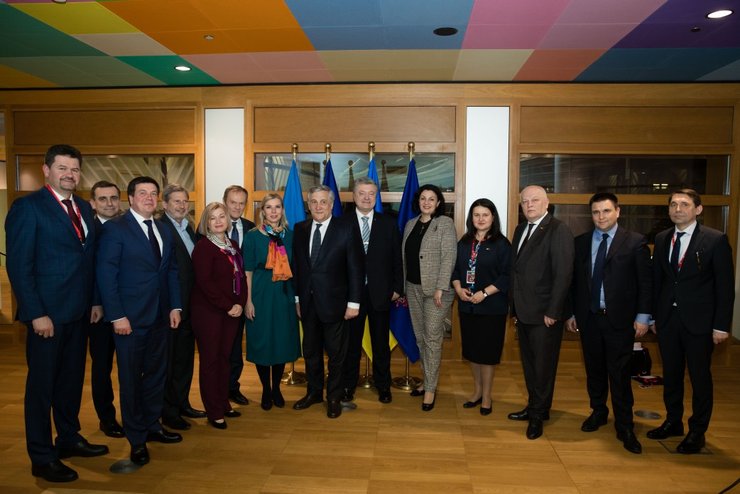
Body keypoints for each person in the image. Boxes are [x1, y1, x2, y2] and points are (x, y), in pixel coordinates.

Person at [6, 144, 108, 482]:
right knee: (42, 388)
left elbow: (89, 260)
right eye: (62, 168)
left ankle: (68, 438)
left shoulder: (83, 207)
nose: (69, 174)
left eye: (74, 169)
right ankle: (41, 456)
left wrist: (95, 301)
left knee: (70, 381)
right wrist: (36, 313)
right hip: (46, 317)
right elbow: (20, 266)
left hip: (79, 313)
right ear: (47, 170)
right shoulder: (28, 208)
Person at [97, 176, 183, 467]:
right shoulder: (115, 229)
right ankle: (136, 439)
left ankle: (152, 425)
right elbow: (106, 274)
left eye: (153, 193)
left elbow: (171, 271)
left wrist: (175, 306)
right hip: (129, 321)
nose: (149, 197)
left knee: (157, 375)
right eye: (142, 193)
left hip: (160, 317)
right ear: (131, 198)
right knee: (131, 380)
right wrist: (117, 315)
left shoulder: (163, 229)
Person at [647, 189, 735, 454]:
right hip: (668, 321)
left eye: (684, 204)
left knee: (699, 378)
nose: (678, 209)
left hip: (700, 323)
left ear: (698, 209)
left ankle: (697, 431)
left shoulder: (715, 240)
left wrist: (721, 325)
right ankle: (673, 421)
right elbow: (658, 282)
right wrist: (654, 316)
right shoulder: (662, 238)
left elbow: (725, 287)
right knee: (672, 375)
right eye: (673, 204)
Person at [565, 192, 651, 454]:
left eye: (606, 211)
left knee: (620, 374)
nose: (600, 217)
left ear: (618, 211)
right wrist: (572, 313)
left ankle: (625, 425)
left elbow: (645, 283)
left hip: (620, 321)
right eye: (595, 212)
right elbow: (575, 283)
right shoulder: (580, 242)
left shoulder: (635, 242)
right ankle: (598, 412)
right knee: (594, 370)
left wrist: (643, 316)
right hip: (589, 318)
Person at [508, 185, 574, 440]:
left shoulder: (558, 230)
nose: (529, 205)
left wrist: (553, 311)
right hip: (524, 311)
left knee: (543, 368)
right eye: (525, 201)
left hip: (545, 314)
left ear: (547, 204)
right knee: (530, 365)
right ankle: (536, 407)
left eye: (535, 200)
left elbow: (563, 274)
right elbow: (517, 271)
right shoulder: (520, 229)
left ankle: (537, 417)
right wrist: (514, 308)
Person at [292, 185, 363, 419]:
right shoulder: (300, 229)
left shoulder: (346, 228)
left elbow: (355, 268)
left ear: (332, 205)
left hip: (336, 304)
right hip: (308, 303)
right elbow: (297, 267)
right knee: (310, 352)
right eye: (314, 202)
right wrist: (297, 298)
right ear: (308, 205)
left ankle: (333, 397)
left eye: (323, 202)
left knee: (336, 355)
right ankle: (314, 393)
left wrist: (354, 303)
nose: (318, 206)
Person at [340, 177, 403, 405]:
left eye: (371, 194)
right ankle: (348, 386)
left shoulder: (388, 223)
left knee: (380, 345)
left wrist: (397, 288)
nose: (367, 198)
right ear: (354, 196)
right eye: (362, 193)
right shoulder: (342, 223)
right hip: (351, 296)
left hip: (381, 294)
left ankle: (383, 385)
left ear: (376, 197)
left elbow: (397, 259)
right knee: (351, 346)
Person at [191, 202, 248, 429]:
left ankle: (224, 403)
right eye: (212, 217)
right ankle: (213, 410)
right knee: (211, 361)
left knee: (225, 359)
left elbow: (241, 277)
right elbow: (205, 283)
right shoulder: (204, 247)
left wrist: (240, 303)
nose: (217, 221)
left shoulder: (232, 245)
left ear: (227, 220)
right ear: (206, 222)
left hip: (231, 312)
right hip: (209, 313)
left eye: (221, 216)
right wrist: (228, 305)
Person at [451, 198, 511, 416]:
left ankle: (487, 396)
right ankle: (476, 392)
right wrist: (459, 289)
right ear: (471, 218)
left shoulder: (502, 244)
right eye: (476, 215)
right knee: (473, 353)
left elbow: (507, 276)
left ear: (493, 217)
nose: (481, 219)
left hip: (492, 308)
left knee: (487, 355)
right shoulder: (464, 242)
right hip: (468, 307)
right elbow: (456, 270)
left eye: (485, 215)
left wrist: (484, 293)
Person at [402, 184, 457, 412]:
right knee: (420, 339)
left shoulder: (445, 223)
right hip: (412, 288)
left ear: (438, 202)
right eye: (423, 198)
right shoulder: (410, 224)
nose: (426, 202)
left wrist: (441, 288)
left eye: (431, 199)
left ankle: (430, 390)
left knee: (432, 339)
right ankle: (426, 380)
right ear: (418, 201)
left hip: (437, 292)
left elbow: (449, 257)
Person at [244, 194, 301, 410]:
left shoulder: (291, 236)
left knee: (281, 341)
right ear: (262, 211)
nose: (274, 211)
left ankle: (276, 387)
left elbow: (297, 270)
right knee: (262, 341)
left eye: (277, 207)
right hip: (260, 293)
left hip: (284, 294)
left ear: (282, 210)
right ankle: (265, 389)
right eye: (269, 207)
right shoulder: (252, 236)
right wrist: (248, 301)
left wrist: (297, 299)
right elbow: (247, 271)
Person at [159, 184, 207, 430]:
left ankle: (182, 403)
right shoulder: (160, 227)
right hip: (172, 308)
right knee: (170, 362)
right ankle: (168, 412)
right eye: (176, 201)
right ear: (165, 204)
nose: (181, 205)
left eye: (184, 201)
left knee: (185, 359)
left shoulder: (188, 226)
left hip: (190, 306)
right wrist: (174, 306)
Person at [87, 180, 125, 439]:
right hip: (98, 313)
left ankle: (134, 414)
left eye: (113, 198)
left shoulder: (126, 227)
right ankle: (107, 418)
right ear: (93, 203)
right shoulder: (87, 231)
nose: (109, 203)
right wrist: (96, 301)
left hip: (127, 309)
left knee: (130, 367)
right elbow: (90, 272)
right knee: (102, 368)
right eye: (103, 199)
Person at [223, 185, 256, 406]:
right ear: (225, 202)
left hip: (243, 296)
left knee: (236, 347)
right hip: (220, 300)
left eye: (241, 203)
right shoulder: (212, 226)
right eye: (233, 202)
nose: (237, 207)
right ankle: (219, 390)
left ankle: (233, 388)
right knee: (221, 348)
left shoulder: (251, 228)